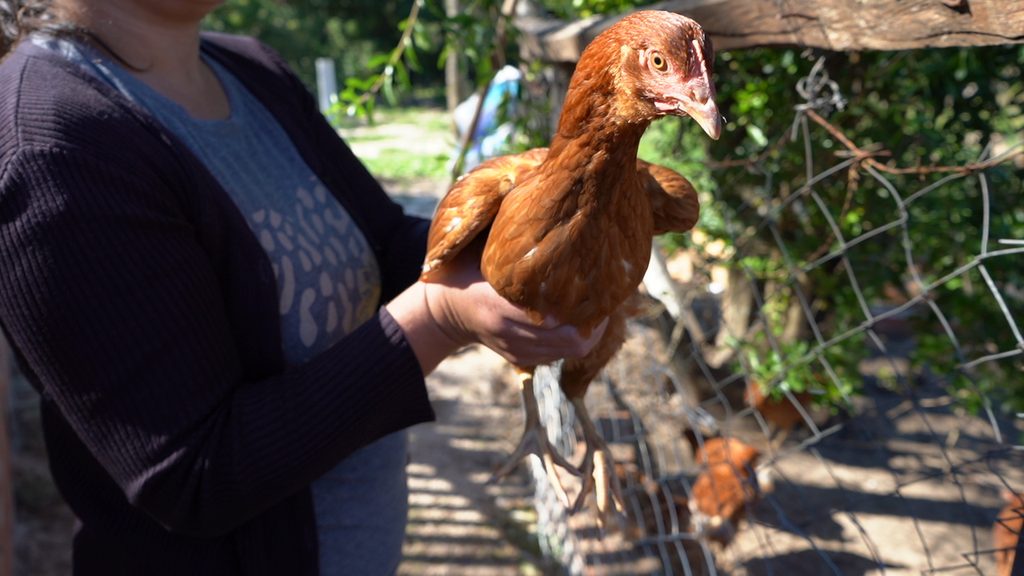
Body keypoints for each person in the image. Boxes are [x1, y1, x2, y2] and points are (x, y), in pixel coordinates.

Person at [0, 1, 607, 574]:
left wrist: (542, 247)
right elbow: (196, 474)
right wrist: (438, 320)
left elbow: (386, 239)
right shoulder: (52, 145)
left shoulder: (249, 69)